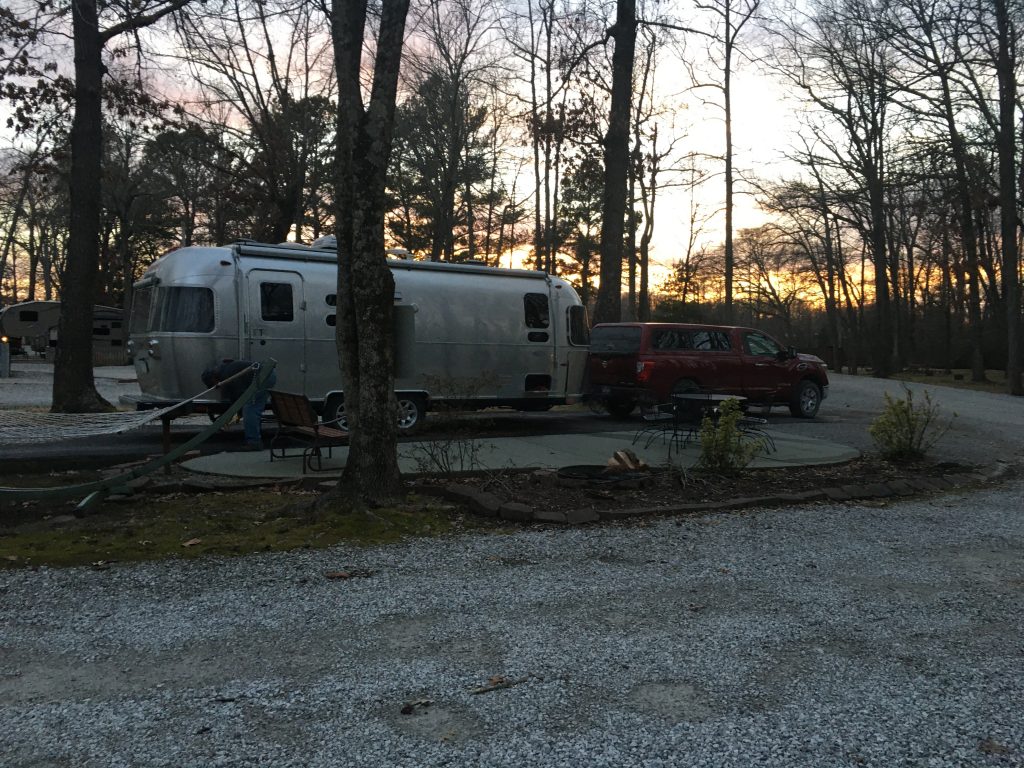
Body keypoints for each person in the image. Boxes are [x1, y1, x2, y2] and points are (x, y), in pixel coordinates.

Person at [201, 359, 277, 450]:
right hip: (267, 374)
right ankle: (255, 437)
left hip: (263, 375)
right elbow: (236, 398)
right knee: (254, 408)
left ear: (214, 378)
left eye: (213, 384)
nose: (216, 387)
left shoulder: (228, 374)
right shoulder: (226, 370)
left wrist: (230, 417)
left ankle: (254, 442)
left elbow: (240, 397)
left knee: (250, 409)